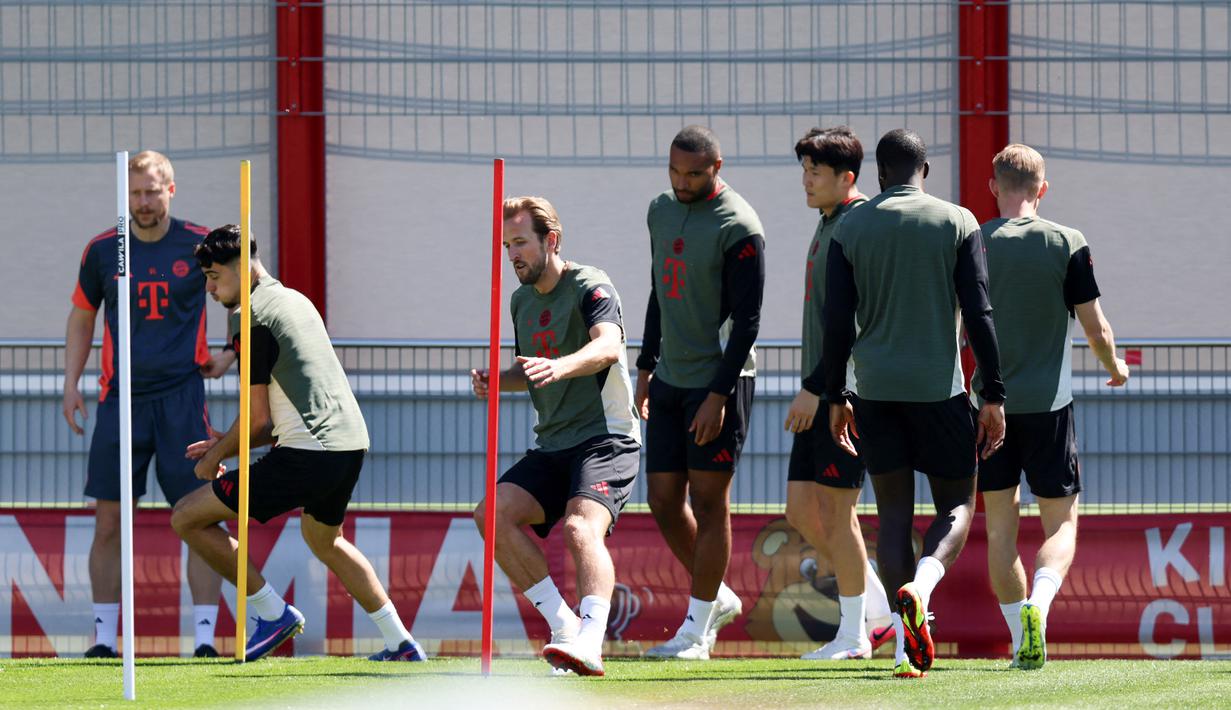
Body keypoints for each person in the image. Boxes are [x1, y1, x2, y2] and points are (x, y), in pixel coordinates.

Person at [170, 226, 425, 663]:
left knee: (187, 517)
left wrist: (213, 458)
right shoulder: (294, 300)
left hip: (310, 452)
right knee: (324, 539)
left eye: (213, 277)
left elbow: (257, 420)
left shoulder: (251, 317)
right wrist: (224, 444)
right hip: (348, 445)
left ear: (240, 267)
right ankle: (401, 641)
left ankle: (272, 613)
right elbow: (282, 413)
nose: (210, 289)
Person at [821, 129, 1007, 678]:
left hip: (874, 390)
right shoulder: (958, 221)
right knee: (957, 506)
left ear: (878, 174)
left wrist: (836, 395)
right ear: (925, 169)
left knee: (894, 514)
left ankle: (906, 650)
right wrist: (992, 393)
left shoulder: (851, 225)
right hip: (940, 391)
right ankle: (922, 588)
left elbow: (835, 321)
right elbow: (980, 312)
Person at [62, 150, 228, 659]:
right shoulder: (103, 250)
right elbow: (82, 318)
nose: (143, 202)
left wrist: (233, 354)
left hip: (183, 399)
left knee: (199, 517)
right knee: (109, 521)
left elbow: (244, 297)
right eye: (134, 193)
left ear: (170, 190)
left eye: (152, 191)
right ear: (124, 196)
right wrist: (70, 384)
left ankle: (203, 640)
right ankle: (103, 641)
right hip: (120, 402)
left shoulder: (199, 245)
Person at [470, 197, 641, 677]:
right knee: (490, 516)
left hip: (607, 437)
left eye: (520, 242)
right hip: (553, 443)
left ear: (552, 240)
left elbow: (609, 346)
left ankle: (591, 641)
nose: (513, 255)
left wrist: (559, 366)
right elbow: (529, 369)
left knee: (577, 528)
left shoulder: (591, 284)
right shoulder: (521, 300)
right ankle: (564, 627)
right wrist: (497, 380)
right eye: (507, 246)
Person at [977, 144, 1129, 670]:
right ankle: (1038, 607)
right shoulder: (1067, 241)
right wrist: (1115, 368)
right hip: (1049, 406)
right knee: (1061, 526)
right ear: (1043, 189)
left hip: (987, 406)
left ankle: (1020, 638)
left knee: (1000, 529)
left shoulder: (973, 242)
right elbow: (1096, 326)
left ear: (993, 187)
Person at [635, 125, 764, 660]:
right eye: (675, 170)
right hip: (669, 379)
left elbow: (749, 321)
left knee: (709, 504)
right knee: (663, 501)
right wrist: (644, 365)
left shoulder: (740, 224)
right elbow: (659, 289)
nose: (682, 182)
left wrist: (719, 392)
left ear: (717, 166)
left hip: (721, 383)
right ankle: (718, 598)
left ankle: (696, 632)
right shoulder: (660, 210)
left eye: (694, 173)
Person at [785, 127, 894, 660]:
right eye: (804, 170)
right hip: (821, 391)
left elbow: (850, 321)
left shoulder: (856, 225)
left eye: (816, 173)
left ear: (846, 179)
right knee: (802, 510)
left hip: (842, 399)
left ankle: (854, 638)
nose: (806, 180)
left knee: (837, 513)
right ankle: (881, 615)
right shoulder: (829, 221)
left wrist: (817, 389)